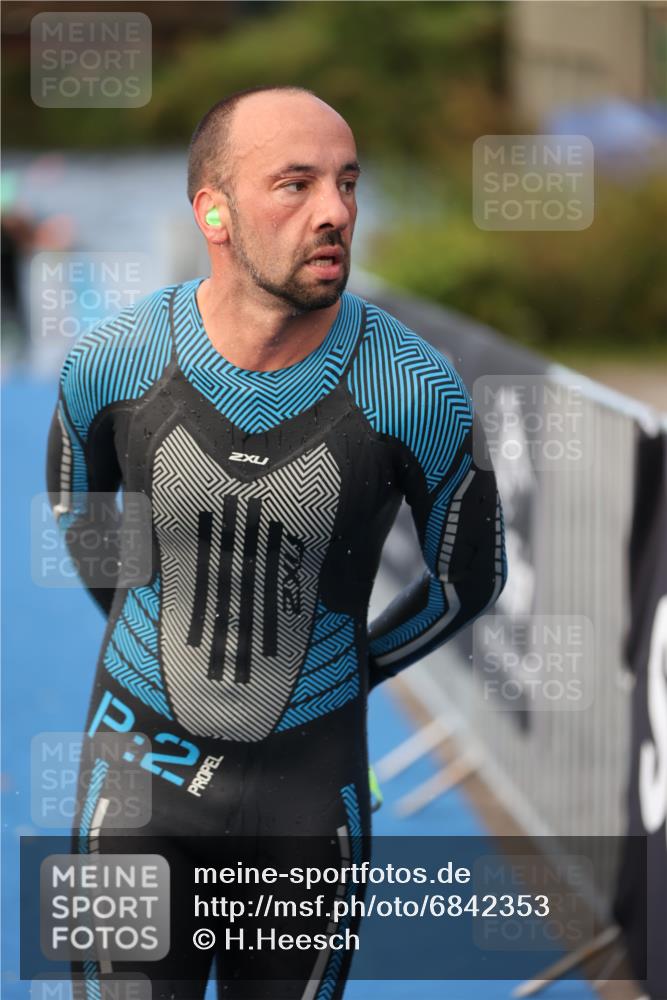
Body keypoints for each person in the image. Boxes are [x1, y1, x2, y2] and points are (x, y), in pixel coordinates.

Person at [46, 85, 507, 1000]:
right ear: (211, 210)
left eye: (346, 183)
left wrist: (346, 669)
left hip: (308, 798)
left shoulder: (416, 391)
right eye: (293, 185)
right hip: (133, 779)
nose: (335, 211)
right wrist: (147, 624)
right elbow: (80, 515)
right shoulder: (111, 361)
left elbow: (469, 583)